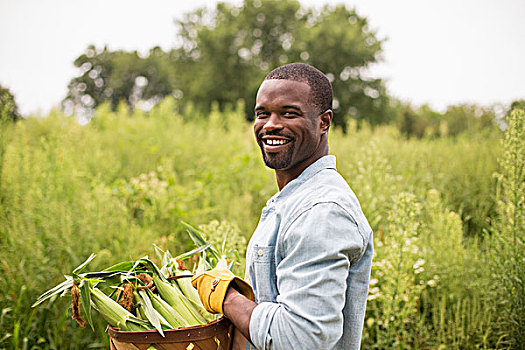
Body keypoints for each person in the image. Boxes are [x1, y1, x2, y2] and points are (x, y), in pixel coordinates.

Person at [192, 63, 373, 350]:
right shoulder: (293, 198)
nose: (271, 124)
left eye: (289, 113)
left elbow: (300, 338)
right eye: (262, 113)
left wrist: (224, 296)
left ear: (324, 122)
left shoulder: (322, 212)